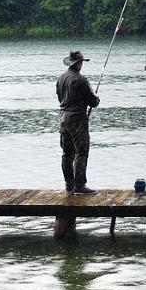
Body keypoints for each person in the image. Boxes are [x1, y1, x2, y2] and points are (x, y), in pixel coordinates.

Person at [56, 50, 100, 195]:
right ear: (79, 63)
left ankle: (69, 183)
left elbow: (60, 98)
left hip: (63, 119)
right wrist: (96, 97)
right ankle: (80, 185)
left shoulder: (60, 79)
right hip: (77, 121)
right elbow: (93, 102)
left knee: (67, 153)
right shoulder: (81, 80)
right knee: (81, 152)